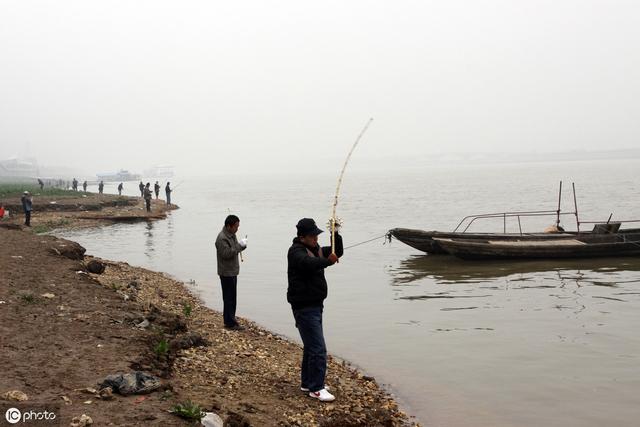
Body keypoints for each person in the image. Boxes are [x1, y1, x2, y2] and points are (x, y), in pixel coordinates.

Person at [287, 218, 343, 402]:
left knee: (311, 347)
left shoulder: (316, 249)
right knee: (318, 348)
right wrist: (327, 261)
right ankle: (316, 388)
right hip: (304, 307)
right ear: (302, 237)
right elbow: (308, 264)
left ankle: (308, 383)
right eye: (312, 235)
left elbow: (337, 251)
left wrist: (335, 233)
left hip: (316, 305)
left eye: (317, 235)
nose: (316, 238)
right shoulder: (295, 252)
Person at [215, 215, 247, 330]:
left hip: (232, 271)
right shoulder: (222, 238)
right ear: (229, 226)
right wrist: (239, 246)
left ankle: (231, 319)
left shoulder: (231, 235)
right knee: (228, 298)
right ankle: (229, 322)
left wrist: (242, 246)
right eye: (236, 227)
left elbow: (235, 249)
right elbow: (226, 254)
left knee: (232, 297)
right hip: (226, 272)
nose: (237, 229)